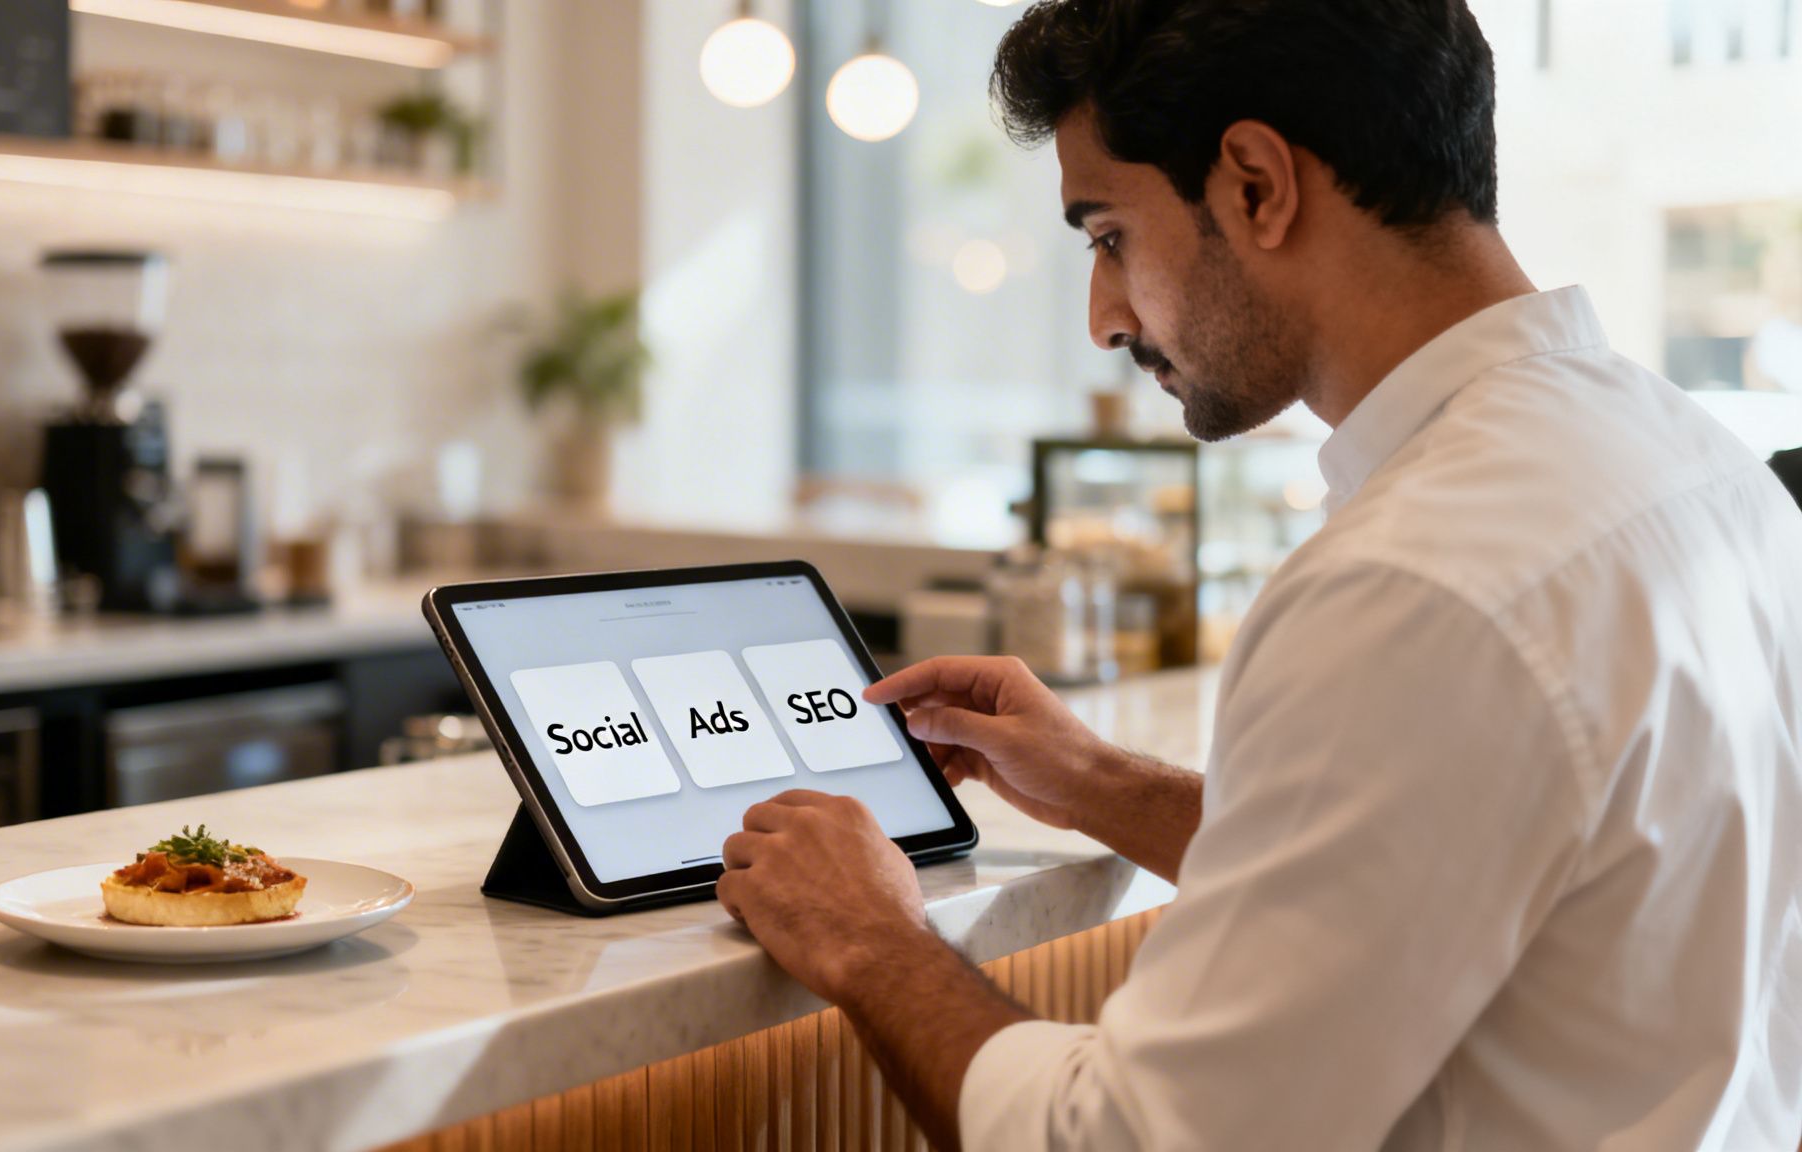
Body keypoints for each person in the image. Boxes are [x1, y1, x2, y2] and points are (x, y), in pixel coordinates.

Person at [713, 1, 1802, 1148]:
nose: (1102, 317)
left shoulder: (1412, 585)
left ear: (1253, 184)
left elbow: (1128, 1139)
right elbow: (1473, 866)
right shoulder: (1696, 466)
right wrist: (1100, 783)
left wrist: (868, 940)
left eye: (1105, 235)